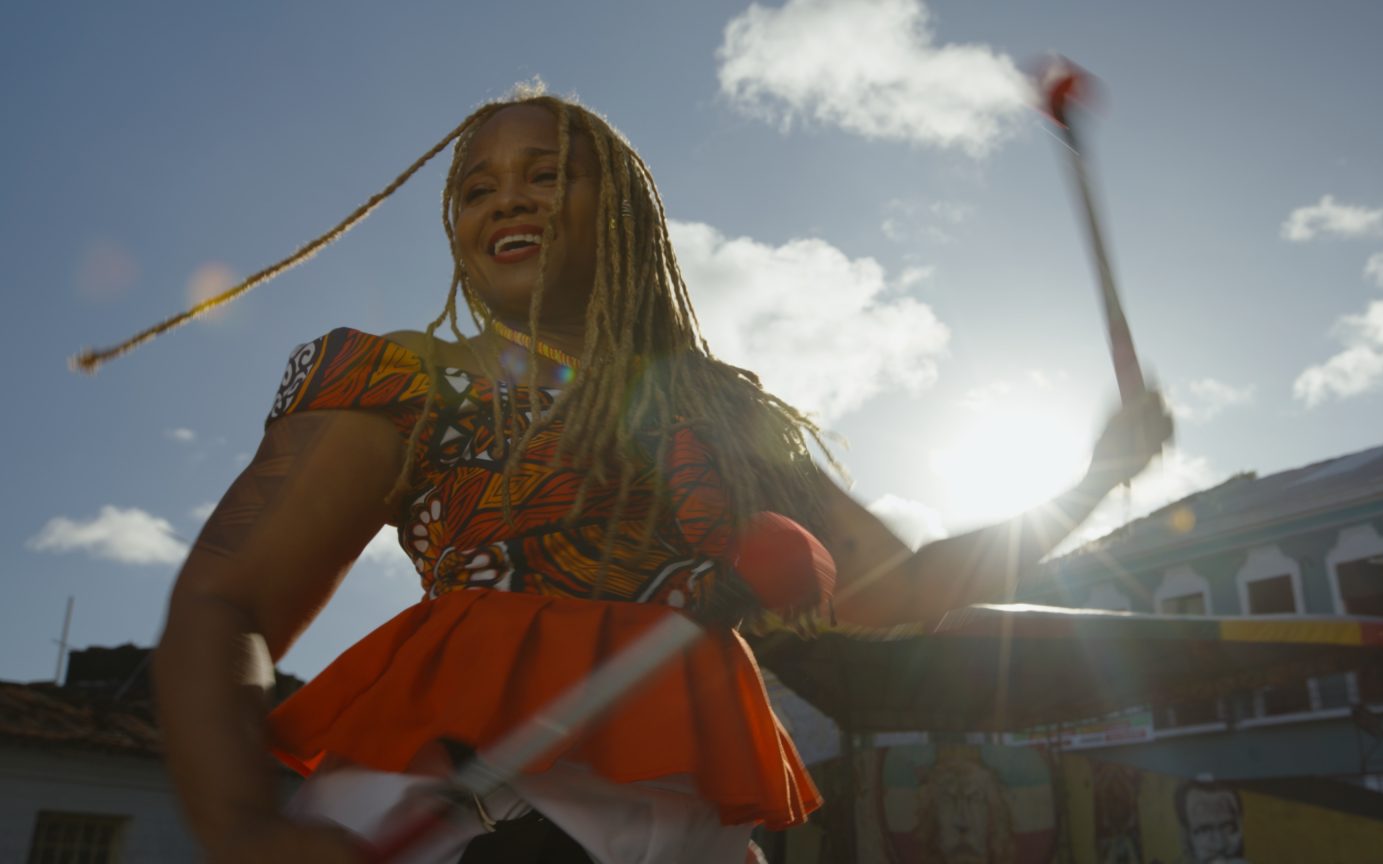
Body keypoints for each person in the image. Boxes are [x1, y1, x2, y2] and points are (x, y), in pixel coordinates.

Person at [77, 84, 1173, 863]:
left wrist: (1089, 480)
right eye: (473, 189)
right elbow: (226, 602)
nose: (503, 199)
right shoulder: (405, 377)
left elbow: (903, 587)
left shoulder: (730, 417)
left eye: (546, 174)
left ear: (629, 215)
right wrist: (247, 830)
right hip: (442, 813)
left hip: (690, 824)